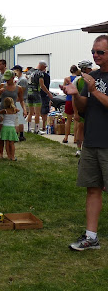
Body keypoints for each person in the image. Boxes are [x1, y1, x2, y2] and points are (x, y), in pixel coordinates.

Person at [64, 35, 108, 251]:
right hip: (91, 141)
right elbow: (83, 108)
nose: (95, 55)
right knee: (92, 189)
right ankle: (91, 237)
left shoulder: (93, 84)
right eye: (93, 52)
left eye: (100, 52)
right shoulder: (92, 77)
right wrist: (75, 95)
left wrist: (93, 91)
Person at [0, 70, 25, 159]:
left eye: (8, 79)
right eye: (6, 79)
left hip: (12, 113)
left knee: (12, 134)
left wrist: (24, 109)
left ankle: (11, 154)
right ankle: (1, 153)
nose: (7, 81)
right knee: (1, 134)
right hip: (2, 111)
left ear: (13, 78)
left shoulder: (18, 88)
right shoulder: (2, 86)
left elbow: (21, 100)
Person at [72, 60, 93, 157]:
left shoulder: (94, 78)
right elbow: (74, 97)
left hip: (92, 108)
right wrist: (75, 113)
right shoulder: (78, 81)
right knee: (80, 128)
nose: (91, 69)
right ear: (84, 69)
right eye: (89, 68)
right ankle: (79, 149)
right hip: (82, 108)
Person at [63, 65, 81, 144]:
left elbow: (64, 90)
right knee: (76, 120)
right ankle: (75, 138)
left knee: (68, 120)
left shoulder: (67, 79)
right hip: (77, 100)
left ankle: (66, 137)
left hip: (69, 100)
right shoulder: (79, 79)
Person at [13, 65, 29, 141]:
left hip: (20, 101)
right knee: (19, 119)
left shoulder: (22, 80)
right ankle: (20, 135)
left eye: (14, 70)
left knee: (19, 119)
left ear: (18, 70)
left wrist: (16, 101)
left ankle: (19, 135)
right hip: (18, 100)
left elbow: (21, 92)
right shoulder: (18, 79)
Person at [38, 61, 53, 132]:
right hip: (44, 95)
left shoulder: (35, 74)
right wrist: (48, 93)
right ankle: (43, 126)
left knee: (38, 111)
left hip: (38, 94)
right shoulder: (46, 76)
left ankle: (39, 126)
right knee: (44, 111)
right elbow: (45, 86)